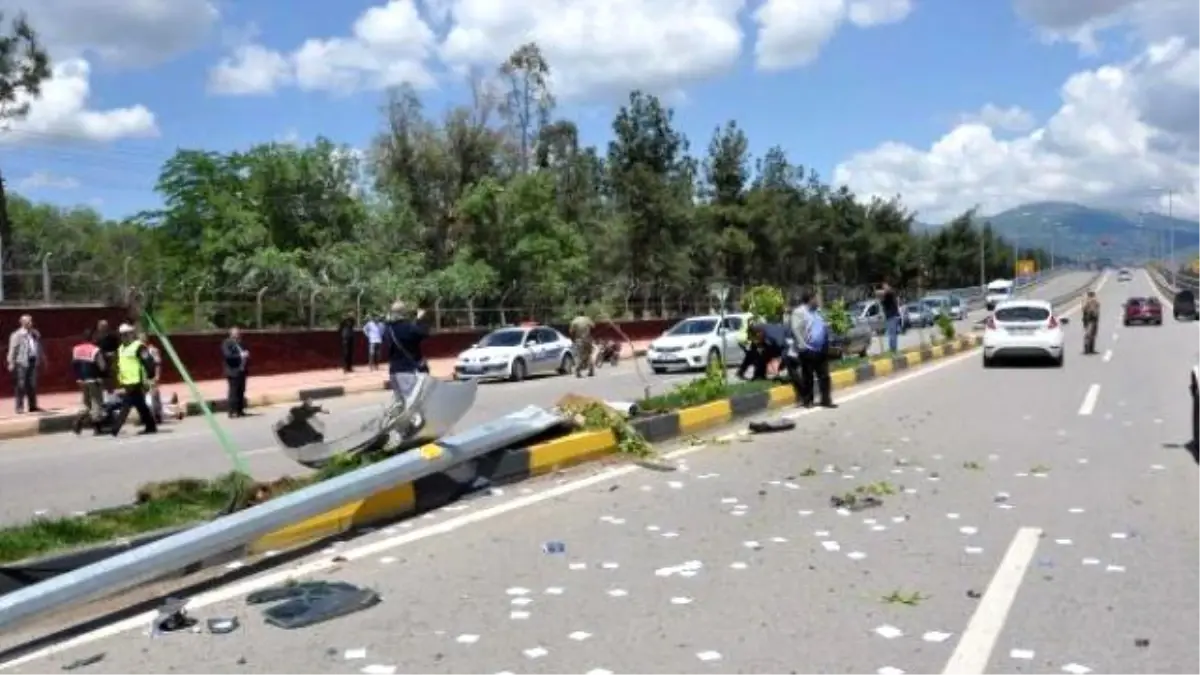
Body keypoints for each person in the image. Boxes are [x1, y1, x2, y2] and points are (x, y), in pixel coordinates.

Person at [385, 301, 431, 431]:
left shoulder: (388, 328)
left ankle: (397, 428)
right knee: (412, 401)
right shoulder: (408, 327)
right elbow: (424, 333)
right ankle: (415, 429)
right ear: (404, 313)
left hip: (394, 370)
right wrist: (420, 319)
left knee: (399, 402)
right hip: (408, 370)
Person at [110, 323, 158, 436]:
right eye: (122, 335)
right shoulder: (121, 349)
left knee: (126, 405)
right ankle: (151, 426)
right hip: (126, 381)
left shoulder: (139, 346)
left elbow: (148, 361)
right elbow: (118, 365)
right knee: (140, 405)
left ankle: (115, 428)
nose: (124, 337)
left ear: (131, 334)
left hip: (136, 380)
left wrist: (151, 375)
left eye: (126, 334)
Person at [793, 293, 836, 409]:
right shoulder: (799, 312)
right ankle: (808, 400)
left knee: (824, 376)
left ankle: (826, 399)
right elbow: (796, 330)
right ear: (809, 300)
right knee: (808, 377)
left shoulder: (817, 312)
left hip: (821, 349)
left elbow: (822, 326)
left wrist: (826, 341)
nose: (817, 301)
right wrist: (804, 347)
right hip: (808, 349)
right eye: (815, 299)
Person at [6, 314, 43, 414]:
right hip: (21, 362)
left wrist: (42, 358)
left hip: (33, 360)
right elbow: (13, 349)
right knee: (20, 385)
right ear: (22, 322)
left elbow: (39, 347)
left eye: (31, 321)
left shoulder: (35, 333)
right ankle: (19, 407)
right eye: (28, 321)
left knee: (32, 385)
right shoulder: (17, 335)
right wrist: (11, 362)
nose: (30, 323)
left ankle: (33, 406)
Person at [71, 328, 106, 435]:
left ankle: (79, 419)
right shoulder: (95, 350)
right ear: (93, 338)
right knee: (96, 403)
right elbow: (102, 366)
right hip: (94, 379)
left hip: (82, 380)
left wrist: (78, 378)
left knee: (86, 403)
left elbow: (74, 365)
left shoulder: (76, 349)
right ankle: (97, 428)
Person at [222, 327, 250, 418]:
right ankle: (231, 411)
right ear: (231, 334)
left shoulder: (241, 343)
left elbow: (244, 353)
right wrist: (240, 355)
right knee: (233, 392)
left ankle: (240, 410)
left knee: (241, 391)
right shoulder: (227, 343)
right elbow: (228, 356)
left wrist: (246, 355)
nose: (238, 335)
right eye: (236, 333)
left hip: (242, 370)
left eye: (239, 333)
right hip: (233, 371)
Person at [138, 331, 164, 424]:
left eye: (143, 338)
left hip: (151, 376)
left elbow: (157, 364)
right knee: (143, 398)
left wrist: (157, 375)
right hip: (141, 377)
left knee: (154, 396)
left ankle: (157, 415)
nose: (141, 340)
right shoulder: (138, 351)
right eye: (140, 338)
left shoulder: (153, 350)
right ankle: (145, 417)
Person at [94, 319, 120, 392]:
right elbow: (95, 346)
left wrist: (114, 353)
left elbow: (117, 346)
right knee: (101, 375)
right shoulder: (96, 336)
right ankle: (103, 391)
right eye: (100, 326)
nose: (102, 327)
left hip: (111, 357)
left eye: (104, 326)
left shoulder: (112, 335)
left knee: (111, 375)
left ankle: (112, 391)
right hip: (100, 357)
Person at [568, 312, 596, 378]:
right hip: (587, 339)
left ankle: (578, 372)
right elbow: (593, 326)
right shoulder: (587, 319)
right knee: (589, 355)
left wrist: (573, 340)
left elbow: (571, 332)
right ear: (584, 314)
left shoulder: (574, 321)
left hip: (579, 340)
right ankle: (591, 371)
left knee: (579, 356)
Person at [878, 281, 901, 353]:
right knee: (892, 333)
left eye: (885, 286)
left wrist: (882, 291)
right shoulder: (885, 298)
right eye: (883, 287)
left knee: (892, 334)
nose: (884, 288)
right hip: (890, 317)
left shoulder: (890, 294)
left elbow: (886, 292)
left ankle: (893, 349)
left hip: (893, 316)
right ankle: (893, 348)